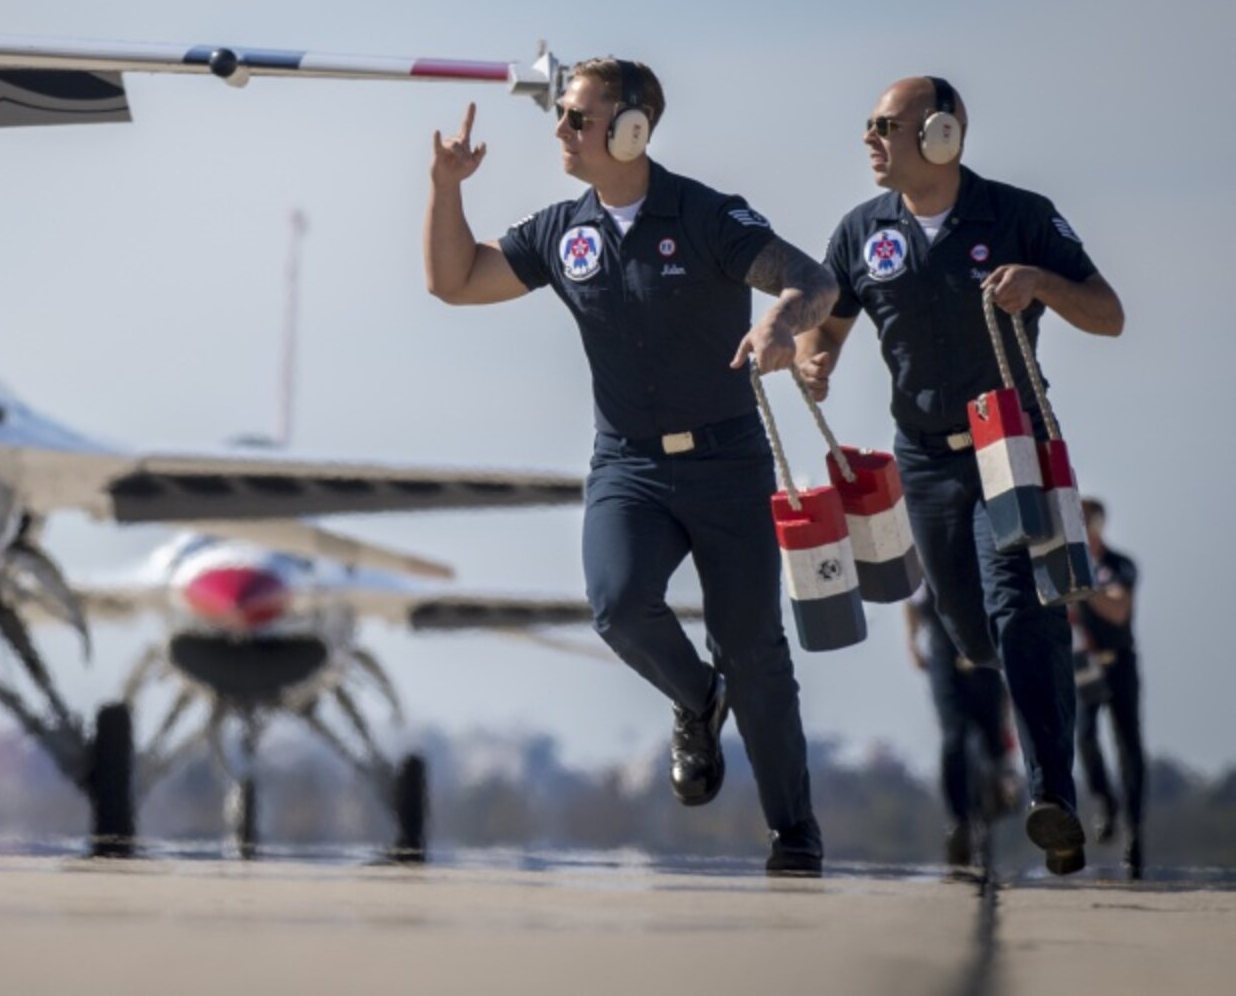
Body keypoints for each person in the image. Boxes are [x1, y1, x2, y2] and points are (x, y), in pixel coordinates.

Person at [423, 57, 837, 874]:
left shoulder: (707, 216)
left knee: (753, 647)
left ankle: (794, 833)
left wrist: (782, 323)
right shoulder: (562, 231)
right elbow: (456, 280)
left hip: (727, 460)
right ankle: (697, 699)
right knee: (615, 605)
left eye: (579, 118)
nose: (562, 131)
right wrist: (446, 187)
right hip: (628, 466)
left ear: (632, 128)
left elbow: (810, 278)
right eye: (565, 116)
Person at [795, 76, 1125, 875]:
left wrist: (1040, 282)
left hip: (1006, 445)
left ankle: (1055, 797)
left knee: (1021, 608)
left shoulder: (1019, 215)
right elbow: (830, 326)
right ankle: (1024, 737)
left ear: (942, 136)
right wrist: (816, 358)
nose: (869, 140)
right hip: (922, 458)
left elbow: (1108, 313)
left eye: (886, 126)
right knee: (969, 628)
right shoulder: (861, 231)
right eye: (867, 126)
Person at [905, 583, 1018, 867]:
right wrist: (912, 643)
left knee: (992, 739)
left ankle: (996, 796)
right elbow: (910, 600)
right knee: (954, 737)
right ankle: (959, 823)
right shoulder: (921, 555)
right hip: (943, 657)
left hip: (984, 654)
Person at [1068, 496, 1145, 877]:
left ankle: (1135, 833)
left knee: (1128, 744)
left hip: (1119, 662)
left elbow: (1118, 610)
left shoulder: (1119, 565)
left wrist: (1083, 588)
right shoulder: (1067, 564)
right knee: (1084, 737)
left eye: (1088, 519)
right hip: (1084, 663)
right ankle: (1104, 800)